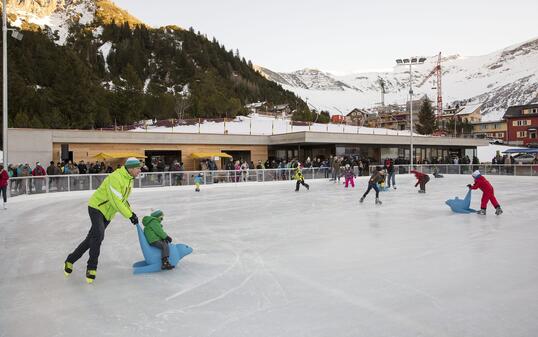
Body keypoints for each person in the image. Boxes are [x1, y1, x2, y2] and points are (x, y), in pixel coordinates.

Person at [64, 157, 142, 283]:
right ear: (131, 168)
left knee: (91, 239)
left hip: (108, 213)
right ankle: (91, 268)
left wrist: (131, 212)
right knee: (99, 235)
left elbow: (123, 199)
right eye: (138, 168)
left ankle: (70, 260)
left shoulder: (129, 180)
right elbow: (115, 200)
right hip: (96, 207)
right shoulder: (115, 178)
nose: (140, 170)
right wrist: (129, 215)